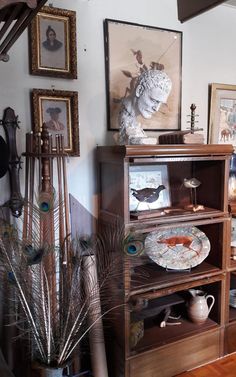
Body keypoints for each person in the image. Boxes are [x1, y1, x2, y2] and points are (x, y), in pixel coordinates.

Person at [118, 69, 172, 145]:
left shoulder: (133, 122)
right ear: (139, 90)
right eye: (154, 100)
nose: (156, 109)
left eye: (160, 103)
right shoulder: (126, 118)